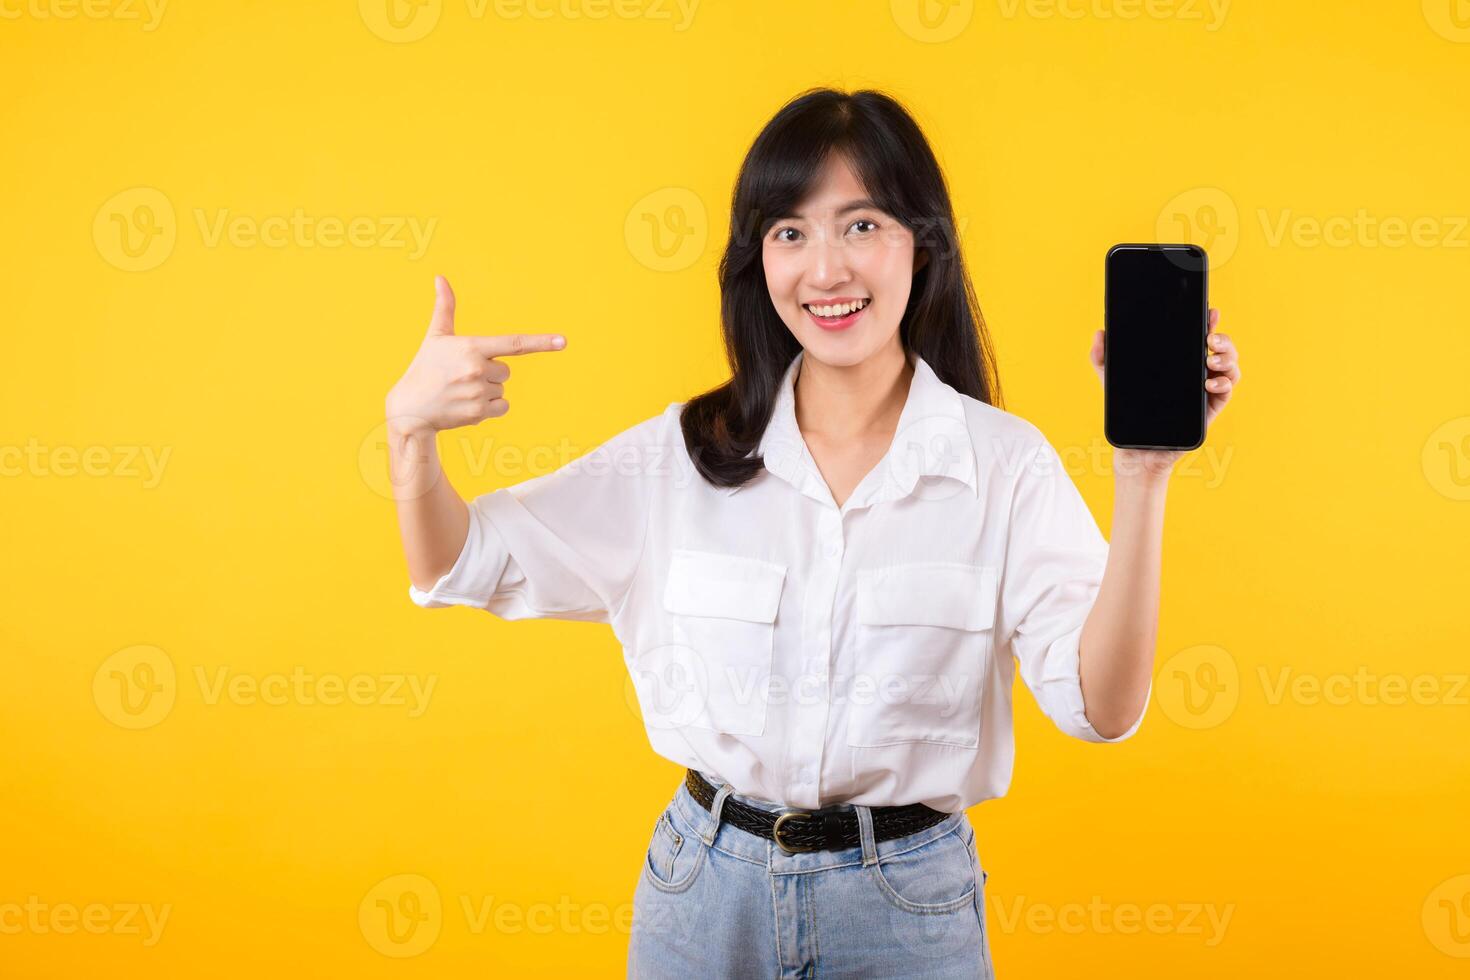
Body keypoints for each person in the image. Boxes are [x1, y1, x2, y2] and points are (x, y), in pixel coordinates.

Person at [383, 87, 1242, 979]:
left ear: (924, 243)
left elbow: (1102, 709)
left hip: (905, 910)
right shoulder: (682, 454)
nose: (825, 270)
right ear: (758, 260)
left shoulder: (1006, 467)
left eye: (861, 226)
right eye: (790, 233)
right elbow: (459, 562)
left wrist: (1143, 478)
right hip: (701, 897)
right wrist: (410, 440)